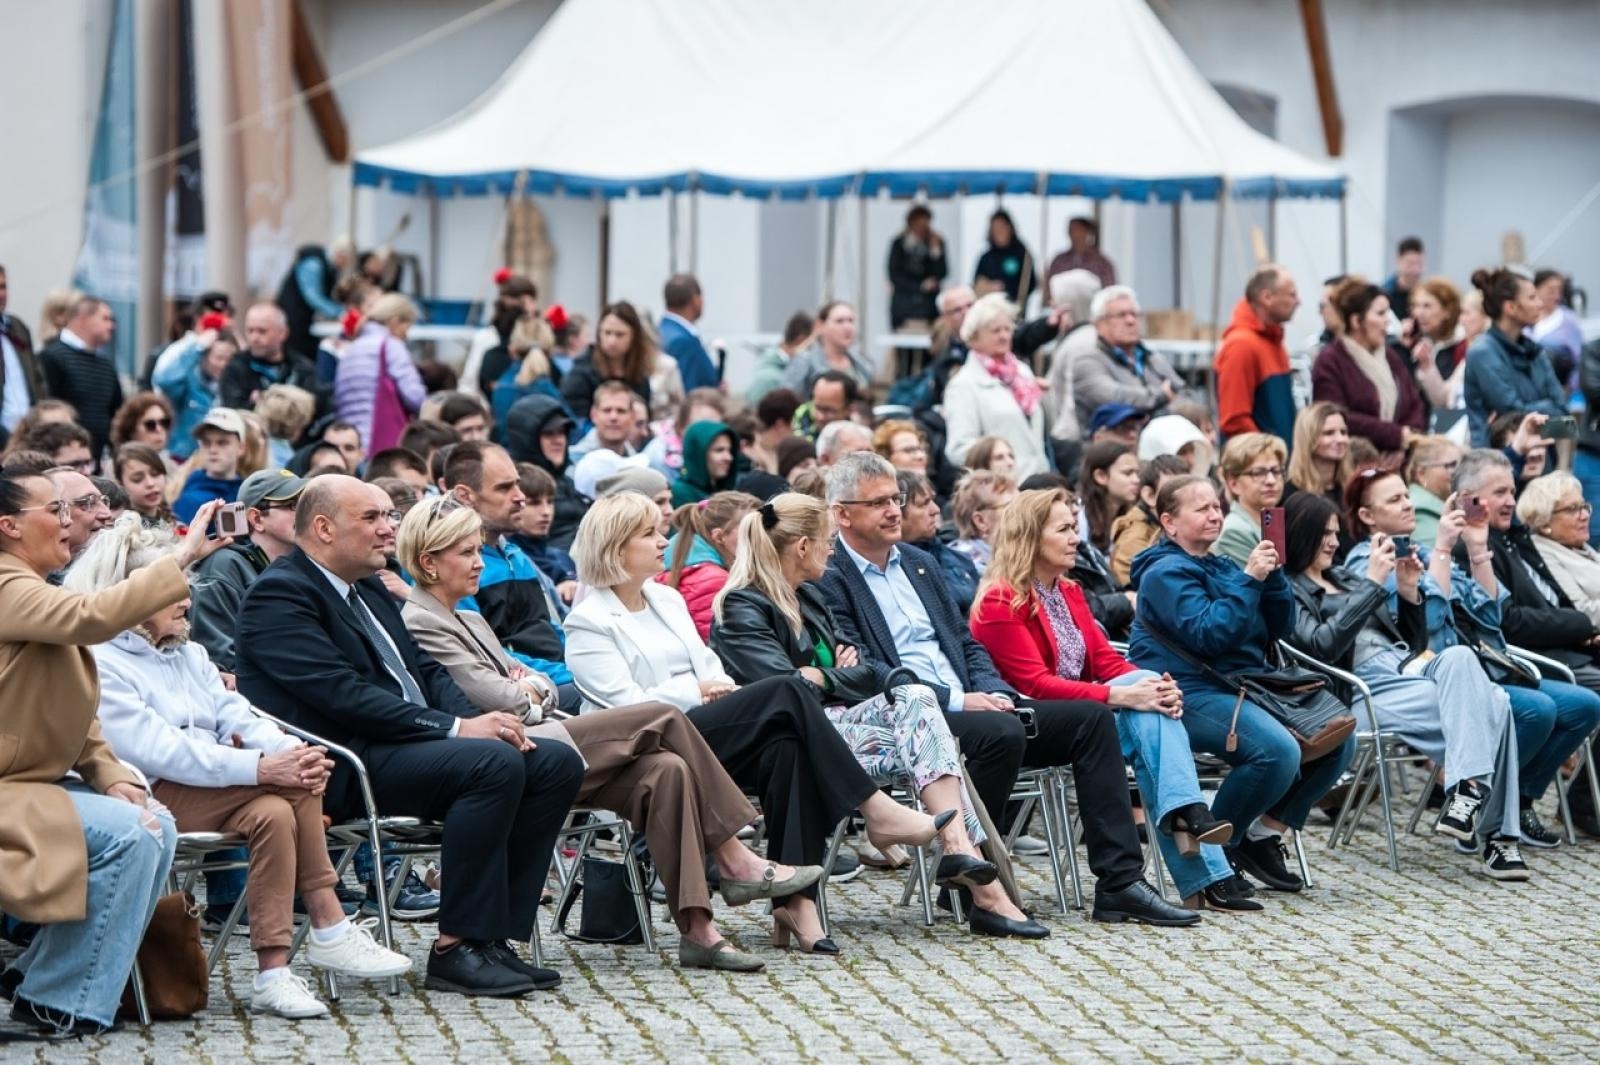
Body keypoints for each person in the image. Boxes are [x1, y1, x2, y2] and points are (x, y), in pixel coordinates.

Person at [395, 497, 802, 969]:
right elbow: (501, 695)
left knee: (666, 770)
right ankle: (733, 855)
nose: (477, 562)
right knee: (662, 717)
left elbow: (531, 682)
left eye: (476, 549)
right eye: (466, 552)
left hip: (544, 737)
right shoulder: (421, 619)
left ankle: (699, 931)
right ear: (428, 562)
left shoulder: (469, 617)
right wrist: (526, 689)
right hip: (513, 750)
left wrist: (528, 688)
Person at [235, 474, 587, 996]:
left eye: (390, 517)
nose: (388, 529)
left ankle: (493, 939)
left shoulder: (370, 587)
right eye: (373, 518)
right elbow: (342, 696)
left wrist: (482, 723)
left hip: (405, 747)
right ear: (325, 528)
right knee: (492, 764)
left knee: (555, 761)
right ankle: (456, 946)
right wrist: (458, 729)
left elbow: (427, 671)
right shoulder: (281, 595)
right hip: (340, 764)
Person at [818, 452, 1194, 927]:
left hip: (979, 705)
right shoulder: (831, 577)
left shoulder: (918, 563)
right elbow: (865, 669)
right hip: (909, 717)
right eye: (879, 503)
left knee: (1091, 722)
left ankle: (1119, 883)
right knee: (1000, 733)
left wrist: (998, 692)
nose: (895, 510)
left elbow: (966, 645)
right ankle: (974, 885)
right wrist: (957, 699)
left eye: (897, 498)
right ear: (842, 514)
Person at [562, 492, 951, 950]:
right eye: (648, 533)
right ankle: (875, 809)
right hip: (647, 751)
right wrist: (698, 691)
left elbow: (710, 667)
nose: (663, 539)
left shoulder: (665, 599)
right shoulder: (588, 622)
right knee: (786, 690)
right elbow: (629, 711)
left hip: (703, 729)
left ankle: (797, 903)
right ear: (615, 547)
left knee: (787, 745)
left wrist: (711, 688)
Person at [74, 515, 411, 1017]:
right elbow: (159, 751)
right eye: (174, 593)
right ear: (135, 600)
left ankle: (273, 973)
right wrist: (263, 767)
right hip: (146, 794)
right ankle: (328, 921)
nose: (188, 601)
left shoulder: (188, 653)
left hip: (218, 788)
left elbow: (239, 714)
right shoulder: (104, 661)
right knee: (289, 788)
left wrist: (287, 753)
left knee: (277, 809)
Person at [711, 492, 1035, 938]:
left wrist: (823, 677)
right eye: (826, 540)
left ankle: (957, 846)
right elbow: (784, 689)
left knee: (916, 698)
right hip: (792, 740)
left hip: (841, 728)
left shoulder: (810, 598)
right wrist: (830, 676)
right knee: (932, 742)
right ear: (802, 546)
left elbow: (865, 672)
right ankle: (981, 887)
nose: (831, 549)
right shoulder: (742, 607)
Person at [0, 473, 231, 1035]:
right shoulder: (7, 586)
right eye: (53, 509)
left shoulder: (32, 586)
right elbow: (95, 617)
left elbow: (78, 714)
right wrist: (181, 556)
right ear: (8, 526)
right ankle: (56, 1000)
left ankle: (36, 977)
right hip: (13, 789)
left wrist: (109, 776)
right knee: (134, 833)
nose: (67, 519)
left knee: (155, 821)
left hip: (29, 786)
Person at [972, 487, 1256, 911]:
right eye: (1064, 529)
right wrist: (1124, 695)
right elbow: (1035, 684)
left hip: (1092, 716)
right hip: (1036, 723)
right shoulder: (1000, 599)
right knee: (1145, 711)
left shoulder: (1067, 591)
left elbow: (1105, 659)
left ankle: (1189, 822)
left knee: (1149, 696)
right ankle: (1203, 859)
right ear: (1030, 536)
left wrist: (1155, 688)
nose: (1076, 538)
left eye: (1075, 527)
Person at [1343, 463, 1600, 847]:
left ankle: (1519, 797)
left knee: (1584, 704)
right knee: (1537, 709)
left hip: (1487, 664)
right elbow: (1428, 624)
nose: (1408, 505)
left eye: (1407, 496)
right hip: (1435, 677)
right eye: (1395, 499)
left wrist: (1478, 548)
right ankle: (1487, 810)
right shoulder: (1368, 560)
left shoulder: (1425, 551)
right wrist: (1446, 548)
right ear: (1367, 515)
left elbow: (1492, 614)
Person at [1128, 474, 1356, 892]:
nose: (1214, 514)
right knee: (1276, 750)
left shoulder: (1222, 564)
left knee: (1338, 738)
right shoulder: (1162, 573)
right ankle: (1223, 847)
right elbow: (1209, 635)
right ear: (1169, 522)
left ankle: (1262, 835)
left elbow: (1278, 629)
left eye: (1217, 506)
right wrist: (1250, 579)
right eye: (1202, 508)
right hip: (1184, 691)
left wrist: (1273, 580)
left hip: (1245, 685)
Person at [1282, 492, 1528, 879]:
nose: (1333, 542)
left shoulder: (1342, 577)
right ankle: (1500, 837)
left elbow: (1414, 642)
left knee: (1463, 660)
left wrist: (1409, 591)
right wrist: (1374, 584)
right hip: (1356, 689)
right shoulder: (1288, 589)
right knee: (1494, 703)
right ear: (1301, 535)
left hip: (1404, 670)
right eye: (1324, 534)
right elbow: (1321, 646)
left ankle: (1466, 792)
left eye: (1334, 533)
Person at [442, 442, 575, 706]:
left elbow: (555, 628)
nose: (520, 496)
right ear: (465, 495)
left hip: (563, 675)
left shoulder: (516, 555)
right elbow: (482, 653)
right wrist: (568, 674)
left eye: (517, 484)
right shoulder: (449, 564)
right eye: (504, 488)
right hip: (529, 691)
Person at [1312, 277, 1424, 457]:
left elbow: (1414, 404)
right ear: (1356, 321)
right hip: (1352, 461)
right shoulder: (1330, 361)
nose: (1387, 320)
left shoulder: (1389, 355)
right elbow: (1335, 415)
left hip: (1399, 459)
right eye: (1380, 314)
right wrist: (1395, 435)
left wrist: (1406, 443)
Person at [943, 293, 1048, 480]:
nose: (1004, 336)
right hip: (1001, 491)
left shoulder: (1022, 372)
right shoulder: (963, 385)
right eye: (995, 331)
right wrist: (998, 467)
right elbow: (958, 449)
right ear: (974, 337)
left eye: (1008, 329)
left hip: (1039, 484)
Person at [1462, 268, 1565, 448]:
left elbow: (1566, 426)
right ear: (1511, 307)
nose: (1540, 304)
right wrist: (1548, 408)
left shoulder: (1535, 351)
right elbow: (1512, 415)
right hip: (1498, 464)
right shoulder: (1482, 352)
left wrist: (1530, 417)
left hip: (1541, 460)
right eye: (1532, 298)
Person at [1072, 285, 1184, 431]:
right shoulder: (1086, 361)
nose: (1131, 321)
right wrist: (1161, 395)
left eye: (1134, 314)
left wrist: (1174, 408)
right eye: (1121, 315)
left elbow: (1185, 393)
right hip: (1109, 449)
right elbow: (1113, 397)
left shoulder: (1153, 358)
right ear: (1099, 324)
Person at [1214, 265, 1300, 444]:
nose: (1298, 301)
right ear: (1267, 297)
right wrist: (1269, 455)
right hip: (1258, 466)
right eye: (1292, 295)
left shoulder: (1274, 342)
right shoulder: (1241, 346)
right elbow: (1234, 421)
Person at [658, 491, 759, 640]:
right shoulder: (712, 581)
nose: (761, 537)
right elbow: (721, 645)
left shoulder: (688, 558)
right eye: (750, 530)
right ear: (719, 536)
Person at [335, 294, 427, 454]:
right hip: (381, 437)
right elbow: (414, 395)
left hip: (352, 441)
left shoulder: (352, 348)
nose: (407, 335)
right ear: (396, 321)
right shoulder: (391, 345)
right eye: (407, 327)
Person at [37, 295, 122, 462]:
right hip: (61, 459)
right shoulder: (51, 357)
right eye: (105, 319)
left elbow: (115, 413)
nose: (111, 326)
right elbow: (45, 408)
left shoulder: (106, 365)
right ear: (83, 318)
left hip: (97, 460)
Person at [504, 393, 584, 550]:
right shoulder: (514, 485)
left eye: (561, 432)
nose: (558, 440)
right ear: (527, 439)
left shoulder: (569, 481)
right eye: (548, 433)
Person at [1520, 472, 1600, 627]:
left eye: (1584, 507)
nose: (1584, 515)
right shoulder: (1542, 553)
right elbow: (1582, 611)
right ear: (1544, 523)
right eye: (1572, 509)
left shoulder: (1578, 545)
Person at [898, 469, 978, 615]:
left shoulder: (961, 559)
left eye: (933, 500)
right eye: (924, 504)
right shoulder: (892, 570)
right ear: (896, 514)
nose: (935, 509)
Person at [224, 303, 326, 413]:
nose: (254, 338)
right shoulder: (235, 368)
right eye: (250, 331)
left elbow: (316, 409)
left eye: (262, 331)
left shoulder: (302, 369)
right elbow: (234, 412)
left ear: (283, 333)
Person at [561, 301, 657, 416]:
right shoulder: (581, 374)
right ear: (599, 334)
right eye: (607, 333)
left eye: (620, 334)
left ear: (634, 337)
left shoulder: (640, 376)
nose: (612, 341)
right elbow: (575, 421)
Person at [152, 327, 234, 459]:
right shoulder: (188, 383)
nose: (223, 364)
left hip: (217, 462)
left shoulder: (232, 388)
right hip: (182, 460)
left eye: (228, 359)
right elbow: (164, 380)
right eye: (218, 358)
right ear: (204, 357)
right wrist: (196, 348)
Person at [1042, 269, 1103, 443]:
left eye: (1057, 299)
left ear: (1072, 304)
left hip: (1072, 442)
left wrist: (1060, 443)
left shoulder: (1082, 344)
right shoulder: (1078, 338)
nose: (1051, 303)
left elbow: (1074, 403)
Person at [1109, 454, 1188, 587]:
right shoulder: (1134, 538)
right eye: (1172, 491)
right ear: (1150, 496)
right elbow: (1144, 590)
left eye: (1188, 490)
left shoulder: (1182, 526)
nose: (1183, 499)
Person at [1212, 432, 1288, 566]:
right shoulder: (1234, 532)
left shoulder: (1276, 521)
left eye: (1276, 471)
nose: (1271, 480)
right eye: (1258, 473)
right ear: (1233, 484)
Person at [1284, 402, 1354, 531]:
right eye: (1329, 433)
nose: (1340, 439)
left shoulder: (1352, 491)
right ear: (1309, 437)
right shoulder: (1290, 496)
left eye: (1343, 432)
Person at [781, 301, 874, 396]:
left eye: (851, 321)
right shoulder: (804, 362)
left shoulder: (863, 364)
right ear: (820, 326)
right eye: (839, 321)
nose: (847, 327)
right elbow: (787, 401)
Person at [1408, 277, 1470, 416]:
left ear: (1447, 311)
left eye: (1427, 306)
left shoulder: (1462, 347)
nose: (1418, 313)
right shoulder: (1416, 342)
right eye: (1415, 306)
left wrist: (1426, 365)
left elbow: (1445, 401)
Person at [173, 408, 247, 523]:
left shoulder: (247, 492)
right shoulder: (190, 500)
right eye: (206, 442)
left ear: (241, 447)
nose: (213, 450)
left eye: (222, 442)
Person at [0, 266, 46, 435]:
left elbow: (37, 379)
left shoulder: (17, 327)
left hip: (27, 434)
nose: (2, 294)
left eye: (4, 287)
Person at [886, 205, 947, 330]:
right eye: (918, 223)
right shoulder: (899, 244)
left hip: (928, 308)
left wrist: (936, 251)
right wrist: (919, 286)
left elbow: (943, 272)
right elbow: (894, 274)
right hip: (904, 307)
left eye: (925, 223)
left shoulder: (936, 242)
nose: (922, 228)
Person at [949, 470, 1016, 576]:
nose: (1023, 513)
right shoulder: (963, 566)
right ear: (980, 521)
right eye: (1011, 507)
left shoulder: (1018, 552)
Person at [1078, 441, 1140, 552]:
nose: (1136, 480)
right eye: (1127, 473)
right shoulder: (1078, 517)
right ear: (1101, 476)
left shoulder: (1135, 517)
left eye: (1137, 473)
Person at [46, 464, 113, 566]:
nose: (107, 514)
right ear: (54, 512)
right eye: (88, 502)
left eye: (103, 501)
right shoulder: (32, 578)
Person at [746, 312, 814, 405]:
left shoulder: (793, 369)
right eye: (813, 343)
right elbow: (753, 411)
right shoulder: (768, 377)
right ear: (801, 340)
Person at [1406, 435, 1462, 546]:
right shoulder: (1417, 512)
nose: (1458, 473)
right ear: (1421, 473)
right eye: (1450, 466)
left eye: (1461, 465)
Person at [671, 421, 741, 507]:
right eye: (719, 450)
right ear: (698, 453)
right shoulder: (681, 493)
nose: (729, 458)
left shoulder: (726, 489)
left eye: (730, 450)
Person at [973, 208, 1035, 307]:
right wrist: (988, 287)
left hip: (1014, 308)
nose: (999, 232)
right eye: (995, 229)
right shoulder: (986, 258)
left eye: (1002, 227)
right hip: (989, 308)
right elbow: (976, 283)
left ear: (1010, 228)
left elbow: (1030, 284)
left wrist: (1007, 291)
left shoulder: (1022, 254)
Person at [570, 381, 641, 463]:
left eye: (621, 411)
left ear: (632, 417)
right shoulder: (573, 461)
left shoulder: (638, 463)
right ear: (593, 415)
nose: (613, 417)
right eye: (607, 410)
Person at [1531, 268, 1583, 374]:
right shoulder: (1526, 318)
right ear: (1536, 289)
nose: (1556, 295)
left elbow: (1580, 358)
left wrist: (1570, 387)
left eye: (1559, 290)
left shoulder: (1568, 319)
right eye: (1551, 290)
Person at [1045, 216, 1116, 290]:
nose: (1071, 232)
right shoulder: (1059, 261)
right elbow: (1049, 287)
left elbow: (1109, 290)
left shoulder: (1102, 263)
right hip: (1064, 301)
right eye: (1070, 229)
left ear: (1087, 231)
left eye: (1076, 229)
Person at [115, 443, 176, 526]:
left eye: (155, 474)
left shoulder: (173, 521)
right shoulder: (122, 528)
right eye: (137, 479)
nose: (150, 483)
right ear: (121, 484)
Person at [110, 391, 175, 464]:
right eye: (150, 425)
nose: (159, 429)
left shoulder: (172, 467)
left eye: (164, 422)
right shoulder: (118, 468)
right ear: (132, 431)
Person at [1382, 236, 1425, 322]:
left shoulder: (1426, 295)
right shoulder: (1385, 294)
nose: (1415, 270)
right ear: (1398, 260)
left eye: (1419, 264)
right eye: (1410, 264)